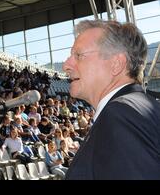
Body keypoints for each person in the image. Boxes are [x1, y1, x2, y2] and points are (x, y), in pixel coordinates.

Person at [63, 20, 160, 179]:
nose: (66, 65)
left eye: (78, 55)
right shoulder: (140, 108)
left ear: (116, 64)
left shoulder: (120, 115)